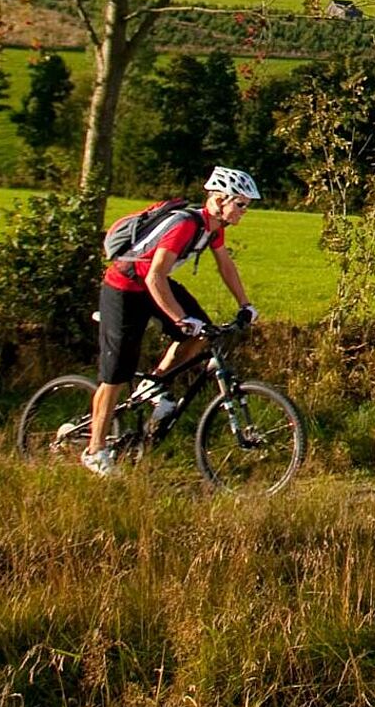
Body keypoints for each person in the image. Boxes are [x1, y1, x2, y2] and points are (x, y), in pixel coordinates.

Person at [82, 165, 261, 477]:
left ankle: (152, 385)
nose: (244, 211)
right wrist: (180, 318)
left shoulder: (213, 228)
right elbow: (155, 276)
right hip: (124, 288)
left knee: (204, 333)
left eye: (247, 205)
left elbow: (225, 266)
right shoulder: (184, 226)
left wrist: (245, 305)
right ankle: (95, 449)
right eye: (241, 204)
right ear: (220, 200)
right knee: (116, 373)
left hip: (153, 284)